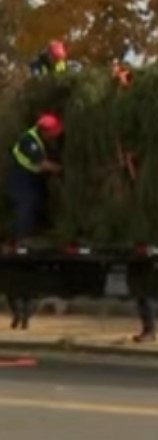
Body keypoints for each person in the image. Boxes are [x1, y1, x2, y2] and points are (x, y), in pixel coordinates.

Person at [7, 113, 63, 329]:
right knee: (27, 208)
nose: (55, 137)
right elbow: (40, 165)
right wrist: (60, 169)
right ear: (45, 130)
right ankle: (23, 238)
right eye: (54, 133)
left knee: (35, 206)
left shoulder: (39, 139)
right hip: (22, 185)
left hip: (31, 185)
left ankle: (23, 314)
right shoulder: (29, 140)